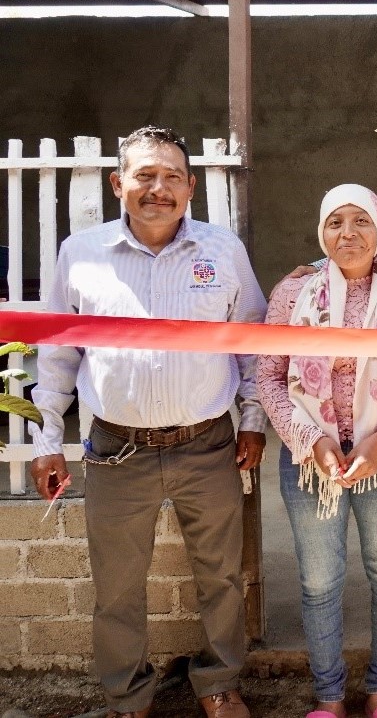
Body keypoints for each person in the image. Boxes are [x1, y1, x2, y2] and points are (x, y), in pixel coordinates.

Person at [29, 126, 265, 718]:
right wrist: (49, 441)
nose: (157, 189)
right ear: (118, 184)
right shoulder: (80, 255)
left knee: (221, 578)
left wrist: (254, 419)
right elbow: (57, 354)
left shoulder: (223, 251)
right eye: (144, 176)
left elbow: (254, 344)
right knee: (116, 588)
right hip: (116, 450)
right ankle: (127, 696)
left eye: (171, 177)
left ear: (190, 187)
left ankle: (218, 683)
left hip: (208, 443)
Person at [259, 184, 377, 718]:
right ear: (321, 233)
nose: (348, 233)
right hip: (310, 464)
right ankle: (329, 699)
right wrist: (311, 440)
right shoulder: (291, 299)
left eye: (360, 221)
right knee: (320, 582)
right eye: (336, 222)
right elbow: (269, 379)